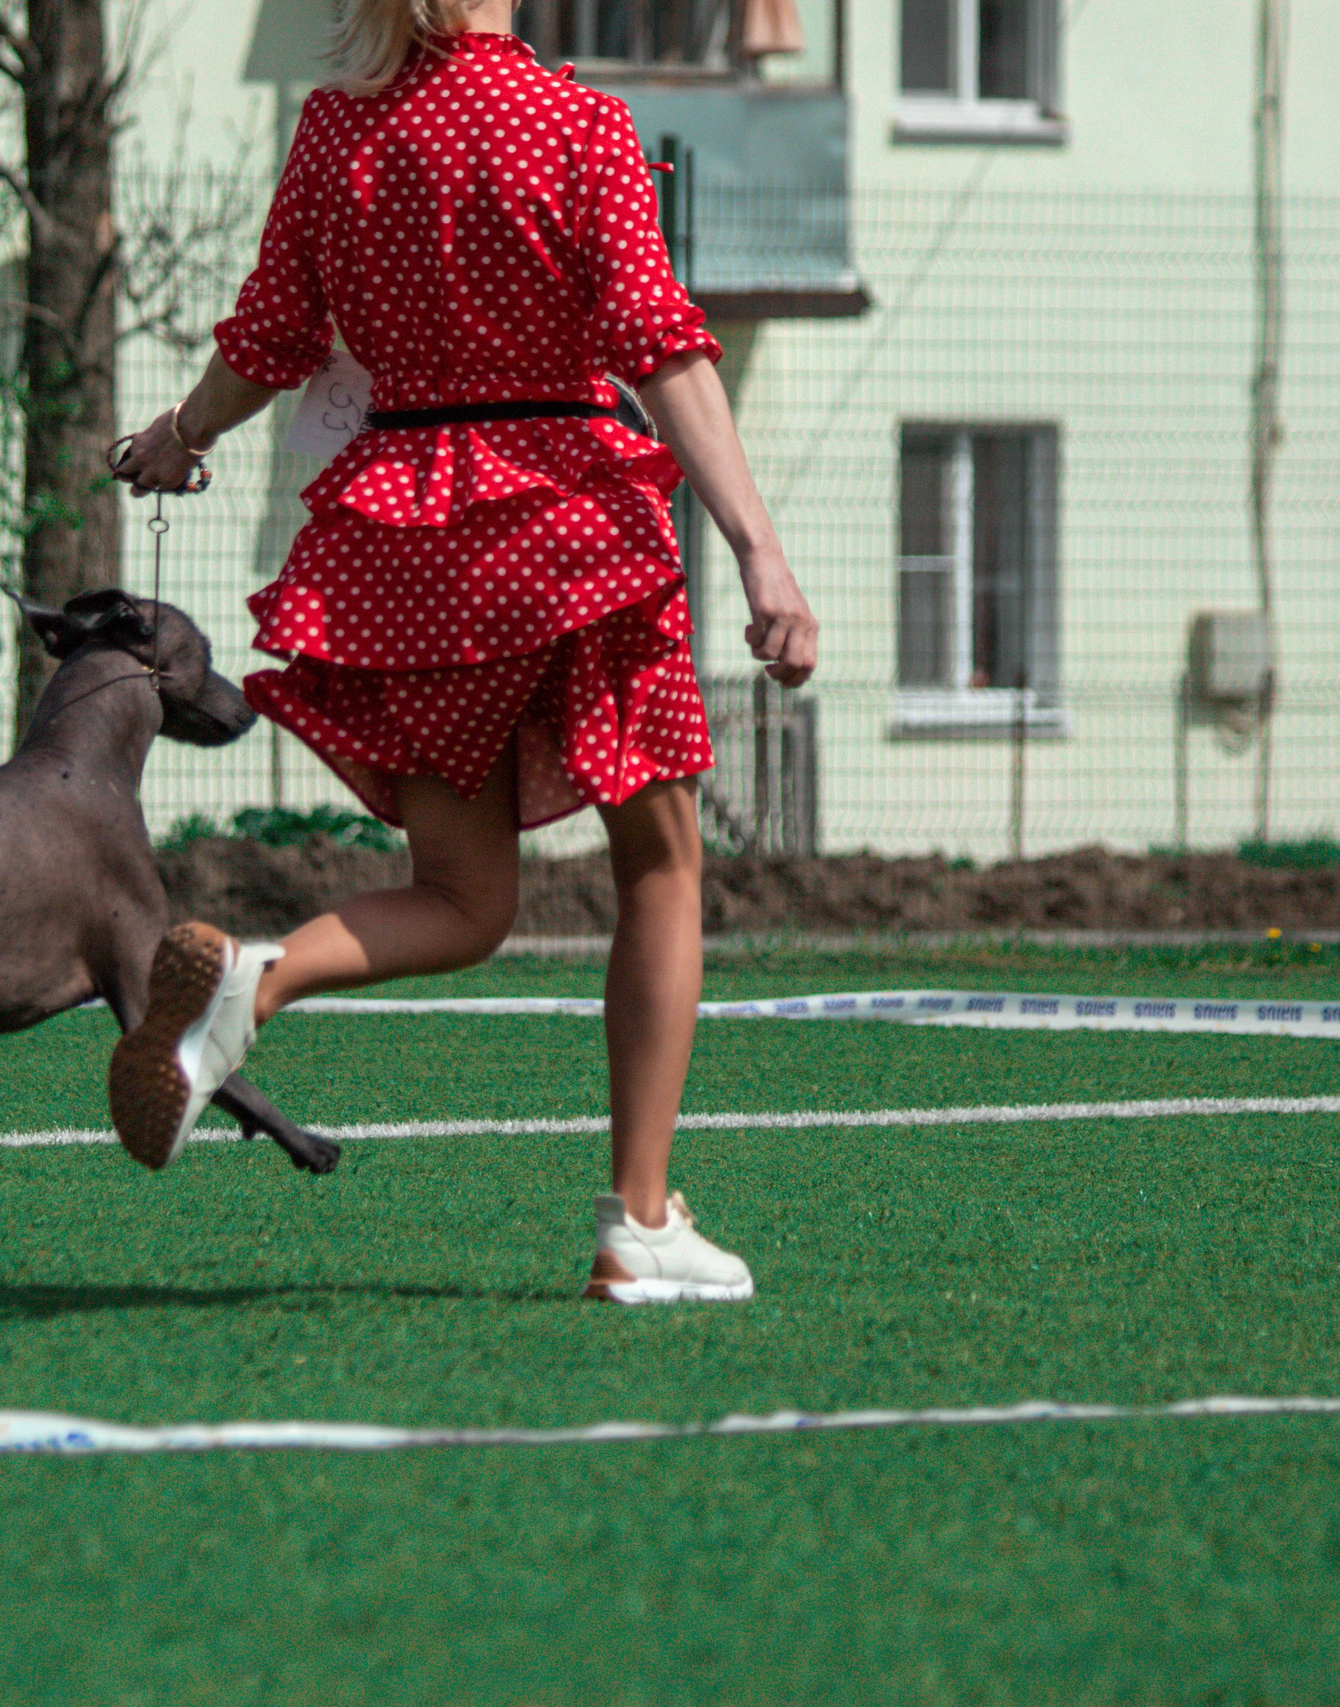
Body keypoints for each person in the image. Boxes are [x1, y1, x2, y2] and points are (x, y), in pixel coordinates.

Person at [105, 0, 817, 1303]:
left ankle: (258, 978)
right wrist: (760, 549)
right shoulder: (582, 122)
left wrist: (179, 435)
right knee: (661, 864)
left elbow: (271, 340)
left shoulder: (336, 133)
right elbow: (663, 347)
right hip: (565, 524)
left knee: (462, 897)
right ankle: (640, 1223)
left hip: (407, 531)